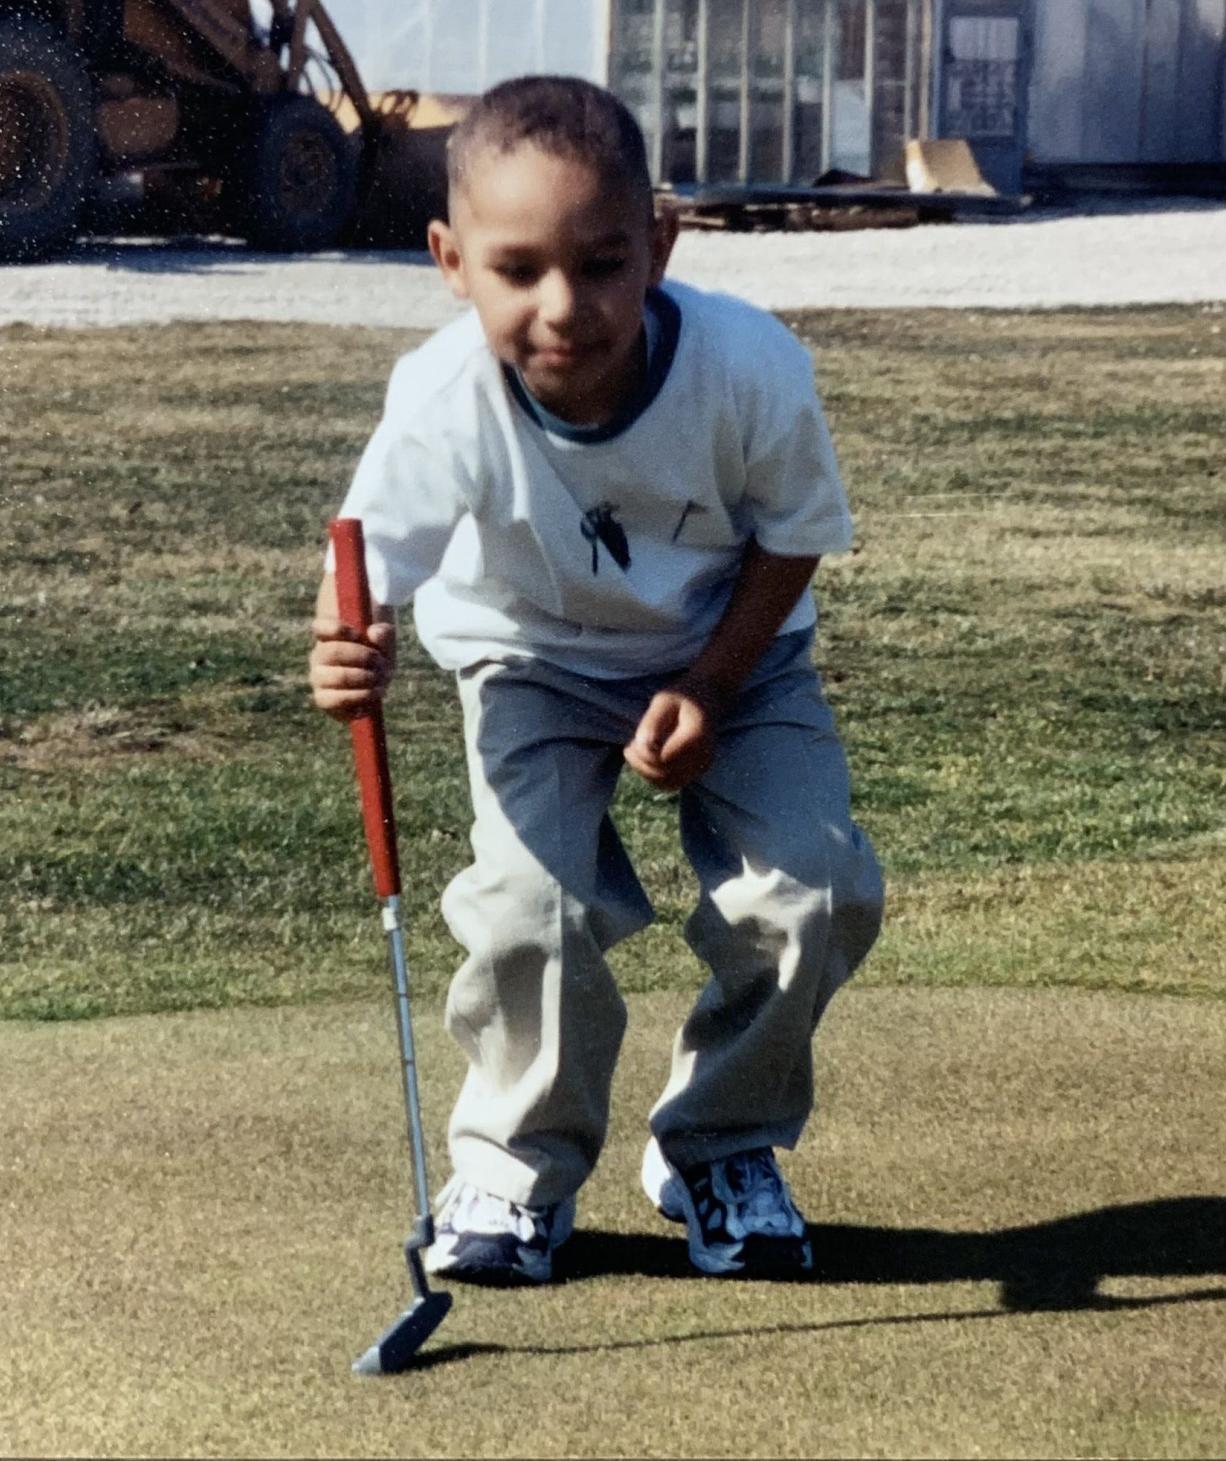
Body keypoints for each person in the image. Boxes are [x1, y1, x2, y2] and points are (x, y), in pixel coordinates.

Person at [308, 75, 884, 1284]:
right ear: (451, 261)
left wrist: (716, 688)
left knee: (817, 893)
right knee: (536, 912)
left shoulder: (748, 365)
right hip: (532, 657)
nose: (564, 307)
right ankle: (517, 1171)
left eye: (604, 262)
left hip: (737, 652)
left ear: (661, 243)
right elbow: (367, 562)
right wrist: (344, 646)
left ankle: (719, 1150)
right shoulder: (442, 395)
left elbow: (795, 534)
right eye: (518, 269)